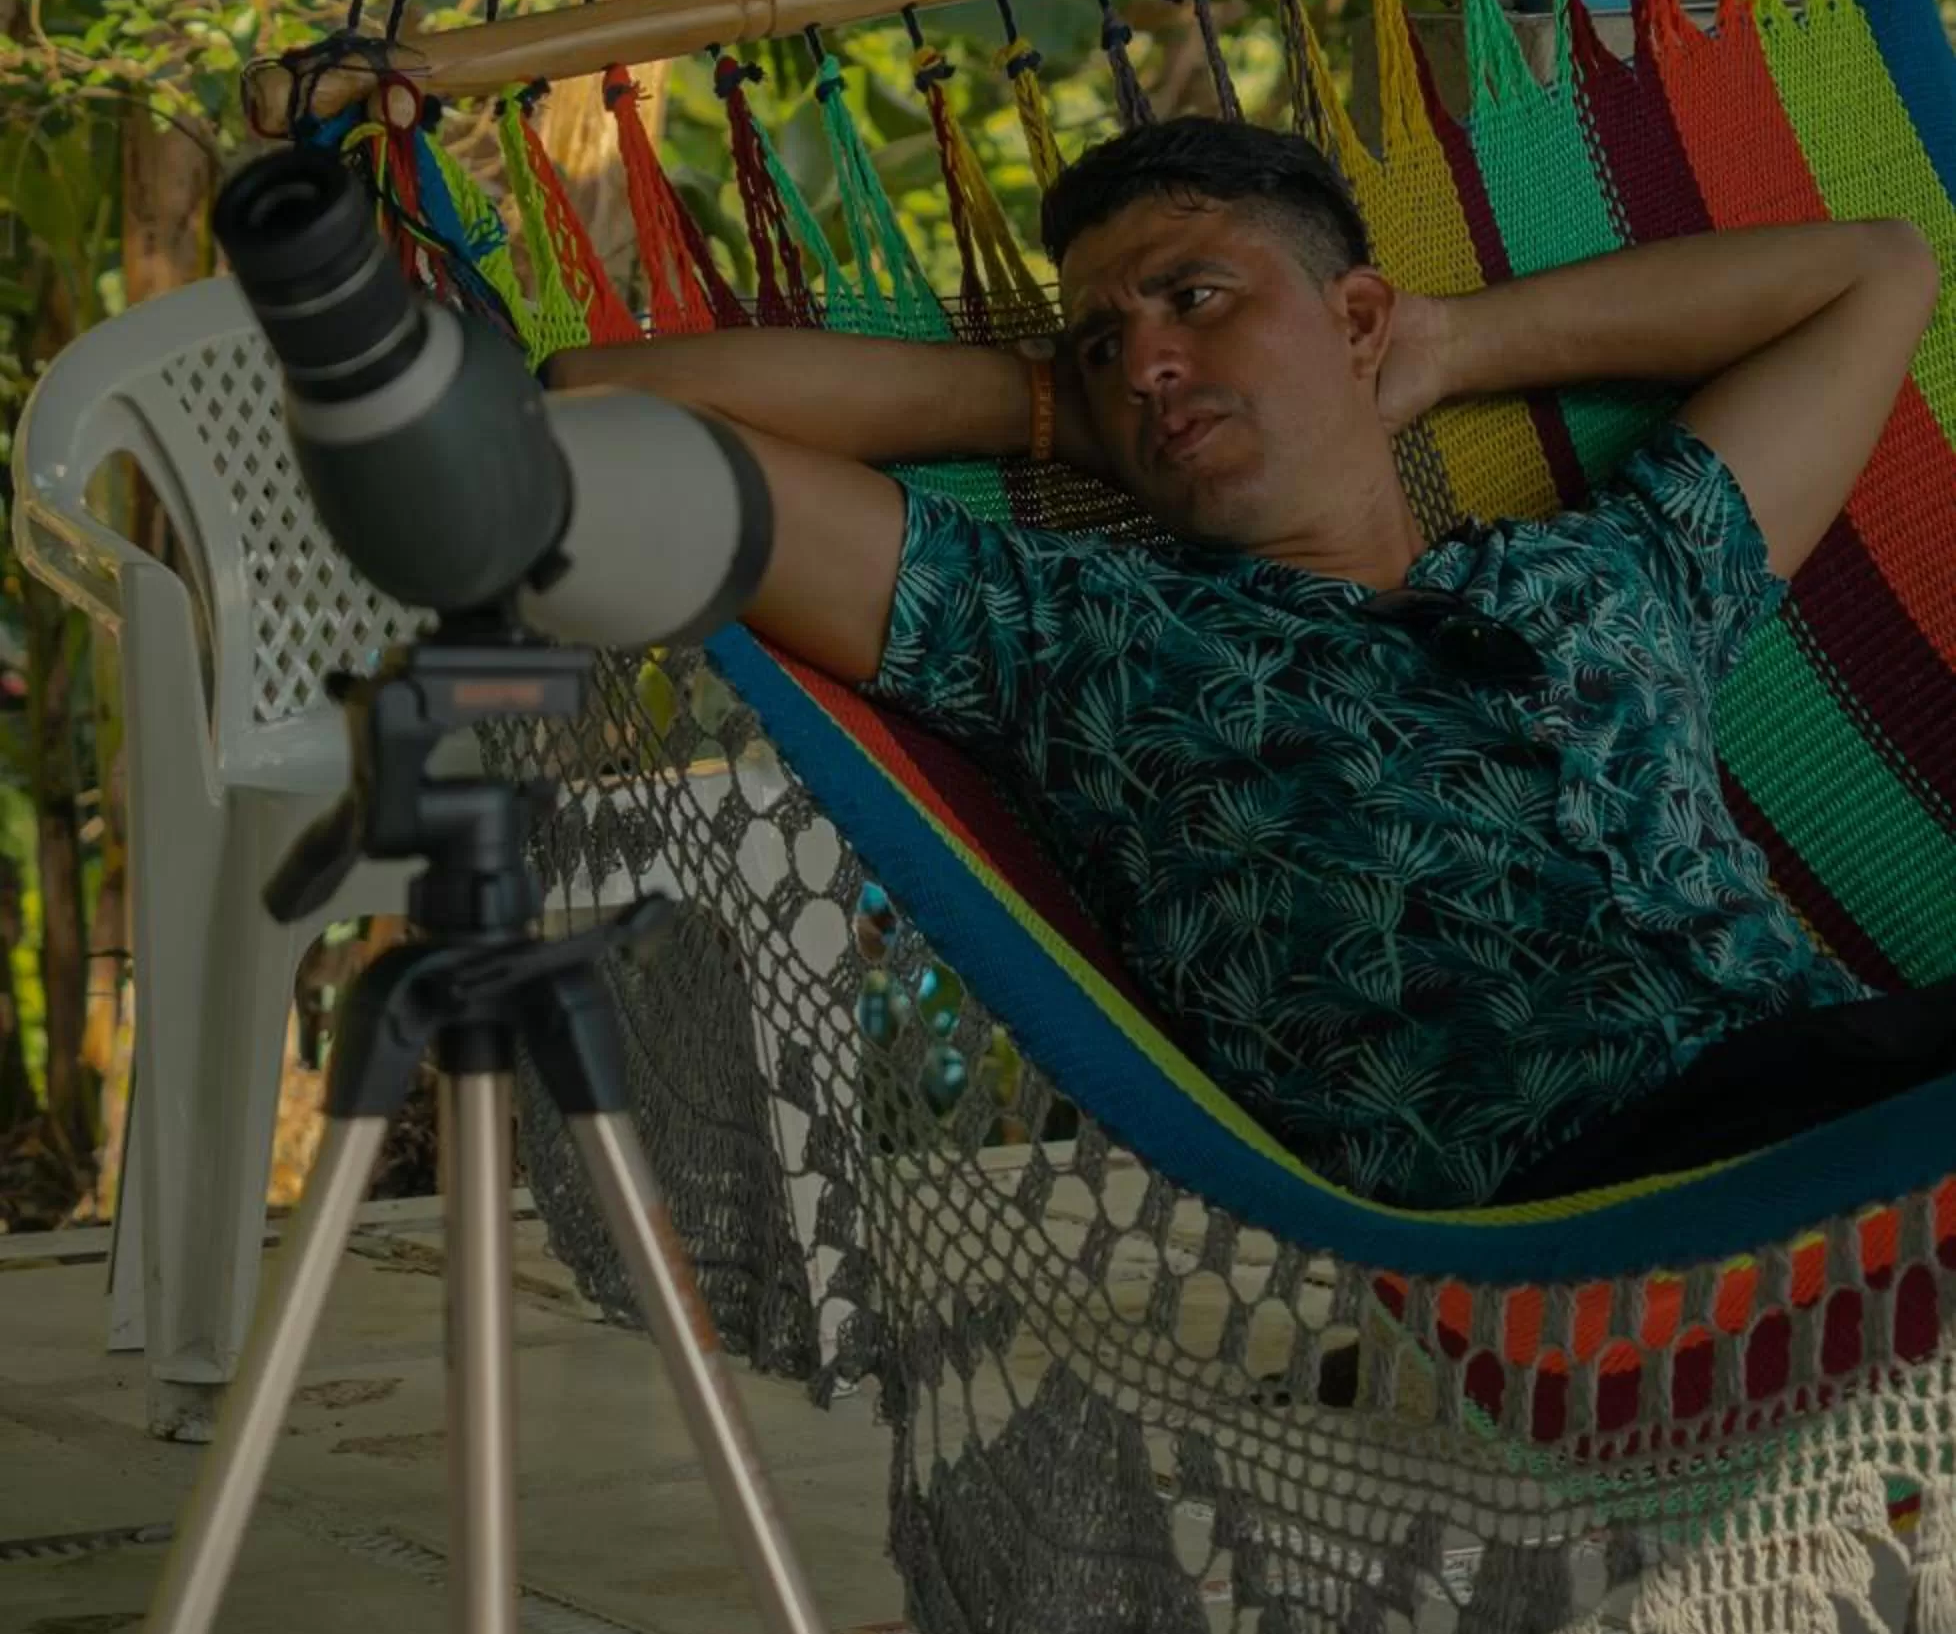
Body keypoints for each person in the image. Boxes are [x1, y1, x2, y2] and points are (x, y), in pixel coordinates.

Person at [551, 119, 1944, 1208]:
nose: (1143, 362)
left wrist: (1449, 343)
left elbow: (1879, 271)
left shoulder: (1620, 573)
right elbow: (605, 414)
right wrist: (1046, 404)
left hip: (1872, 1108)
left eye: (1195, 297)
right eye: (1104, 341)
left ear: (1354, 318)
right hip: (1584, 1208)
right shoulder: (1065, 635)